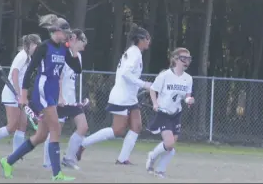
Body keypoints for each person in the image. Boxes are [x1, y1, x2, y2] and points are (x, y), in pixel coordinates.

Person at [0, 14, 82, 181]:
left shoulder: (64, 48)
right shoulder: (44, 47)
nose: (67, 35)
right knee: (56, 129)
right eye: (65, 32)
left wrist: (72, 48)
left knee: (41, 136)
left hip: (51, 92)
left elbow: (77, 69)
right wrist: (23, 95)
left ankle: (8, 161)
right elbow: (29, 71)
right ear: (57, 31)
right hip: (42, 91)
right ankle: (57, 174)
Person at [76, 24, 152, 165]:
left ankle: (122, 159)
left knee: (137, 126)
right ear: (141, 39)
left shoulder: (136, 53)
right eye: (147, 38)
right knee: (117, 130)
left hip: (130, 98)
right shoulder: (134, 52)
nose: (149, 41)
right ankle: (83, 144)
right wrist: (144, 84)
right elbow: (125, 74)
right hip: (122, 97)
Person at [0, 34, 41, 158]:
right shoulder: (22, 56)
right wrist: (19, 94)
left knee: (22, 125)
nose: (38, 48)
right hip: (11, 94)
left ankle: (16, 154)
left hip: (18, 94)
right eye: (36, 45)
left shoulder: (28, 57)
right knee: (12, 126)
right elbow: (14, 74)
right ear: (30, 44)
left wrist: (23, 96)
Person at [42, 29, 88, 170]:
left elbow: (74, 80)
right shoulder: (62, 54)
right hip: (60, 99)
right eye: (82, 42)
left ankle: (69, 158)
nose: (84, 45)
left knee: (83, 127)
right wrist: (60, 97)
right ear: (74, 39)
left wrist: (77, 99)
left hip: (71, 100)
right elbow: (59, 78)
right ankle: (47, 162)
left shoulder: (78, 57)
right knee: (56, 130)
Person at [146, 47, 195, 178]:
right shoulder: (165, 75)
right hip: (164, 113)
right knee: (169, 143)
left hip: (176, 114)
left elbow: (187, 96)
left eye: (188, 59)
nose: (186, 61)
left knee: (170, 147)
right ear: (175, 59)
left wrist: (189, 100)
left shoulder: (188, 78)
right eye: (183, 58)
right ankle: (152, 158)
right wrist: (155, 103)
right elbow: (152, 89)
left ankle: (159, 169)